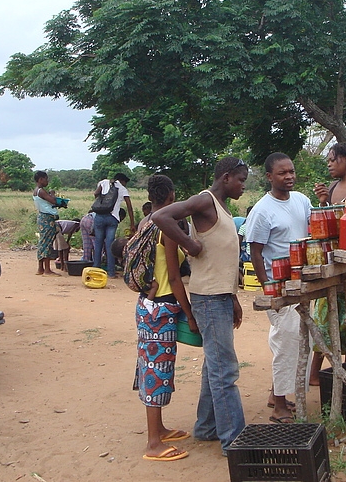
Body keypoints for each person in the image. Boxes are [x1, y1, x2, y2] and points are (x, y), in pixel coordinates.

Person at [151, 156, 248, 456]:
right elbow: (161, 217)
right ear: (227, 177)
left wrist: (233, 297)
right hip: (208, 299)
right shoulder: (204, 201)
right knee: (225, 371)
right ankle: (235, 441)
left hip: (220, 296)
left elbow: (223, 259)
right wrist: (188, 244)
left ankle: (207, 427)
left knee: (215, 365)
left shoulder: (222, 208)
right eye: (241, 180)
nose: (244, 186)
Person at [245, 153, 311, 423]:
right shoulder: (262, 210)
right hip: (279, 286)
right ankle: (280, 407)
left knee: (295, 338)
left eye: (291, 171)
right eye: (282, 173)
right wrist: (268, 288)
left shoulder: (302, 201)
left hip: (302, 281)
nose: (289, 176)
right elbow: (256, 253)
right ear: (269, 177)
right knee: (286, 341)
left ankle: (277, 393)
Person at [136, 175, 197, 462]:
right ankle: (152, 444)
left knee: (153, 366)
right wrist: (189, 314)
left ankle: (158, 428)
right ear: (172, 196)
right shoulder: (166, 229)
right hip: (161, 308)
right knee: (156, 370)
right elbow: (174, 277)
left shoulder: (145, 222)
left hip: (146, 306)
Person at [310, 142, 346, 385]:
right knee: (324, 318)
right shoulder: (332, 187)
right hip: (333, 260)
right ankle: (315, 374)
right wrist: (323, 202)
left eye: (333, 159)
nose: (329, 164)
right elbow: (328, 224)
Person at [93, 173, 136, 278]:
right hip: (113, 218)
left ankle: (95, 270)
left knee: (98, 243)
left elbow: (95, 193)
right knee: (109, 245)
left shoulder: (104, 182)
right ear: (122, 180)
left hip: (99, 216)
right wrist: (132, 223)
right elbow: (129, 207)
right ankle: (111, 272)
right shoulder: (122, 189)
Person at [33, 171, 60, 276]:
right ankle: (47, 270)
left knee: (43, 242)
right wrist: (52, 194)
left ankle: (41, 268)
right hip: (47, 218)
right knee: (47, 243)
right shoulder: (41, 191)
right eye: (46, 179)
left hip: (42, 217)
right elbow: (53, 201)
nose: (47, 181)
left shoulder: (36, 191)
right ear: (40, 179)